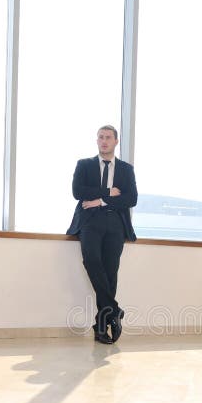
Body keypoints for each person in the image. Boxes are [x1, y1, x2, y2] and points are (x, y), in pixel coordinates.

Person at [67, 125, 137, 344]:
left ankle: (101, 327)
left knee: (110, 271)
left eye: (108, 137)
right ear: (97, 141)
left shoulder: (126, 169)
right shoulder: (84, 165)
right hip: (90, 221)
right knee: (91, 261)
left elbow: (131, 198)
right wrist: (108, 192)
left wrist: (101, 200)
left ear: (116, 141)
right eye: (100, 137)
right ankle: (114, 310)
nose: (104, 141)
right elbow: (78, 192)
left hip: (115, 222)